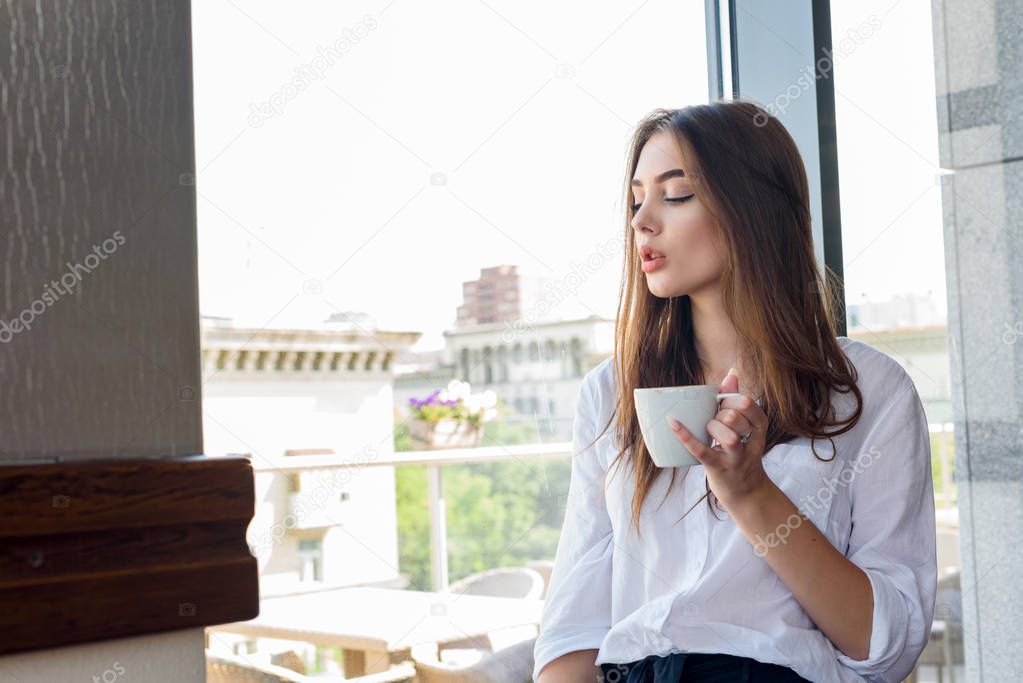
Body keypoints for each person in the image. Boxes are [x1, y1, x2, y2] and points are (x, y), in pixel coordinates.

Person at [532, 99, 936, 682]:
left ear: (753, 207)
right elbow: (572, 627)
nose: (642, 221)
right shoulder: (613, 391)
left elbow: (885, 647)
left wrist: (751, 494)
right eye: (635, 200)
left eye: (676, 195)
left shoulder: (869, 390)